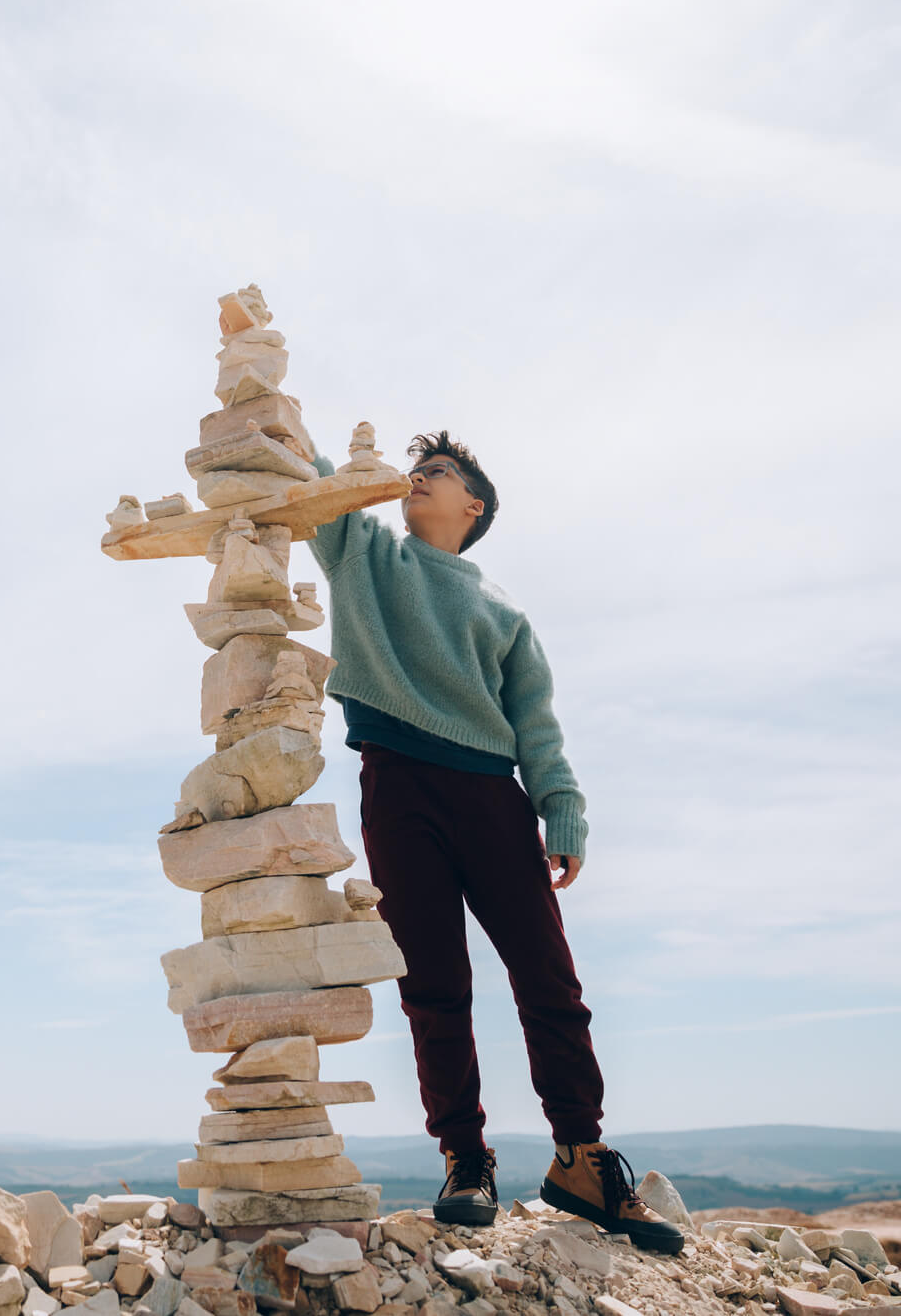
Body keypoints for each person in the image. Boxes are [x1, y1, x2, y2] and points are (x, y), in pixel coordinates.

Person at [307, 432, 681, 1253]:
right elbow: (313, 476)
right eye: (416, 470)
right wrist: (282, 412)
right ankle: (464, 1161)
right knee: (433, 985)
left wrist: (562, 808)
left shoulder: (501, 608)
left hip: (491, 794)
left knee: (547, 978)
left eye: (435, 473)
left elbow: (536, 723)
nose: (418, 479)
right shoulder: (363, 549)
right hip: (396, 785)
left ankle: (580, 1160)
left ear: (473, 505)